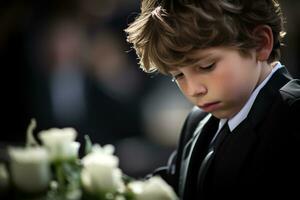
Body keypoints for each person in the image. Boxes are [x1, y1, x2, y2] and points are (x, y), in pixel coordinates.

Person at [125, 0, 300, 199]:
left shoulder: (292, 116)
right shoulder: (197, 121)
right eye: (178, 75)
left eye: (207, 66)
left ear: (260, 42)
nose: (193, 90)